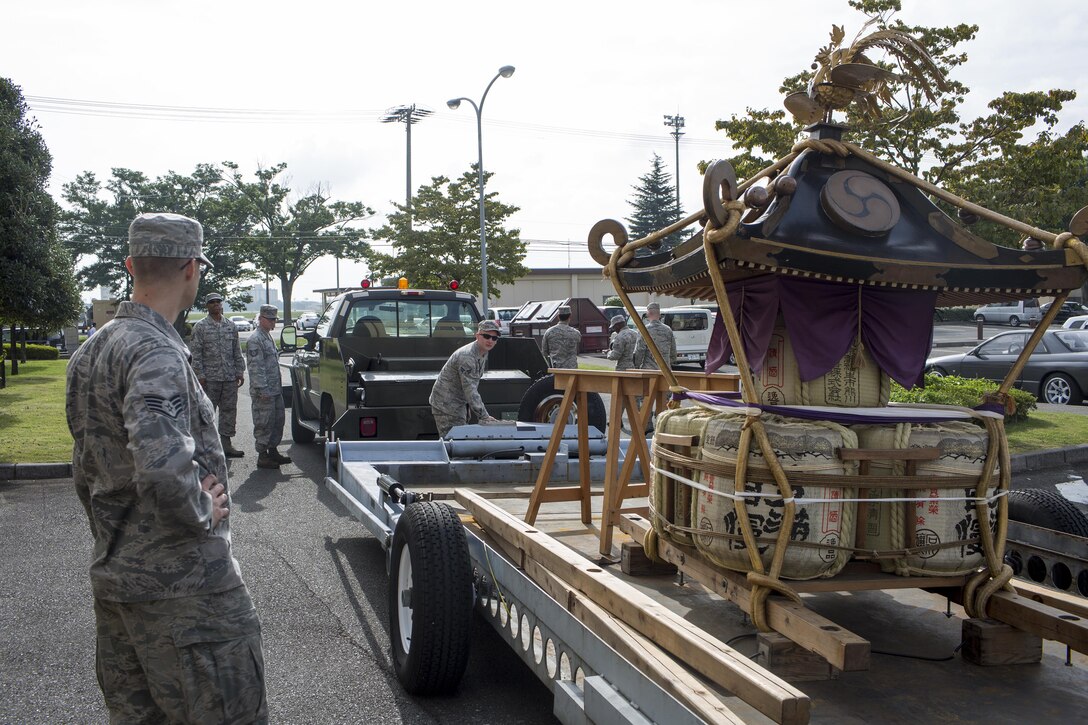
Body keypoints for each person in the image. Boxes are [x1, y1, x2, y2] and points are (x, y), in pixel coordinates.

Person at [65, 212, 267, 723]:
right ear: (191, 269)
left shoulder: (92, 351)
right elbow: (159, 465)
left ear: (132, 264)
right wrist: (203, 507)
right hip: (187, 594)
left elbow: (86, 469)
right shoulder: (155, 350)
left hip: (118, 580)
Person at [190, 291, 246, 457]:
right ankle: (207, 447)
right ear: (207, 306)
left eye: (218, 302)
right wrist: (199, 375)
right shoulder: (200, 327)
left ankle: (226, 445)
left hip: (229, 377)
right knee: (207, 412)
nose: (216, 304)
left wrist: (239, 370)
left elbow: (237, 350)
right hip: (209, 379)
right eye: (212, 302)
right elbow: (196, 353)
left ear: (222, 304)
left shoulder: (230, 325)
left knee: (229, 411)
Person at [429, 319, 501, 437]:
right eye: (487, 336)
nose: (490, 341)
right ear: (477, 335)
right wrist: (484, 416)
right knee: (455, 446)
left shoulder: (482, 352)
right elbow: (470, 390)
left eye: (494, 338)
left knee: (460, 445)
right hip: (447, 405)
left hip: (458, 404)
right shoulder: (467, 356)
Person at [249, 304, 290, 469]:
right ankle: (262, 455)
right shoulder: (255, 339)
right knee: (264, 423)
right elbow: (255, 367)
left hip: (274, 389)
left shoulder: (267, 336)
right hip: (264, 391)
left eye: (275, 319)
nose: (274, 322)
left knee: (277, 421)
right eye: (270, 319)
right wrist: (262, 389)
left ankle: (273, 451)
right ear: (261, 319)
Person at [633, 302, 677, 371]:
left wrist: (636, 366)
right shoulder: (668, 330)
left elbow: (639, 351)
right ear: (659, 315)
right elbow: (673, 352)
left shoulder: (644, 330)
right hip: (666, 371)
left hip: (649, 370)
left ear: (648, 314)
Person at [541, 304, 582, 369]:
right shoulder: (576, 333)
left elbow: (544, 352)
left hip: (556, 369)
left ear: (558, 317)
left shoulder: (549, 332)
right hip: (571, 369)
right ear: (570, 316)